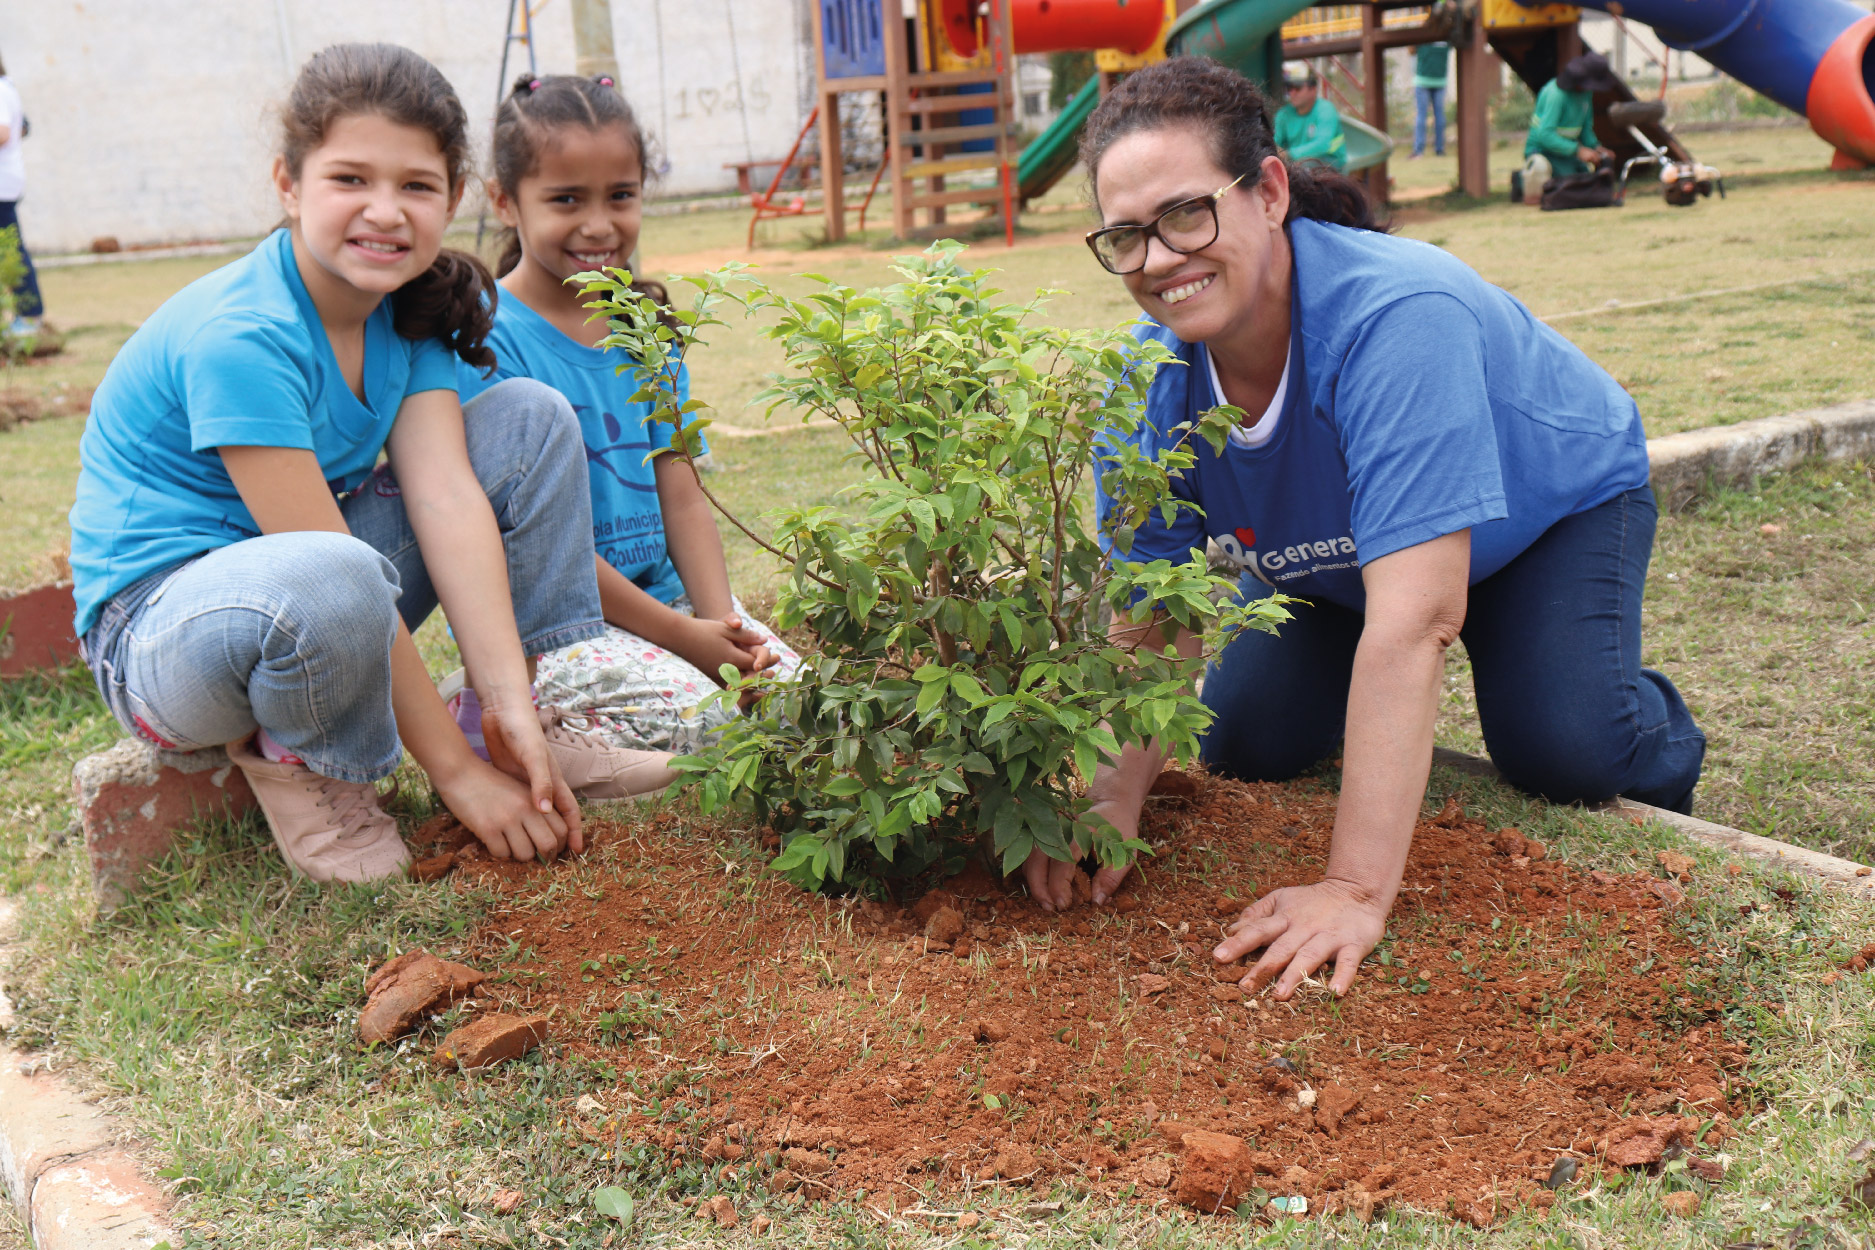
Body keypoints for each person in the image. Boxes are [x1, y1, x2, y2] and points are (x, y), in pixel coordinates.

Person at [1022, 57, 1704, 1002]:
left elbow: (1416, 619)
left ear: (1265, 192)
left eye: (1186, 213)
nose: (1161, 260)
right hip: (1343, 559)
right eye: (1127, 236)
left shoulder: (1394, 317)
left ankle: (1641, 712)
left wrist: (1350, 890)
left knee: (1565, 751)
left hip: (1547, 514)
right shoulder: (1145, 387)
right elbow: (1151, 616)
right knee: (1246, 742)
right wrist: (1106, 803)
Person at [69, 45, 676, 886]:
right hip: (164, 637)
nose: (385, 212)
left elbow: (448, 498)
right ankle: (307, 766)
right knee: (335, 568)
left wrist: (507, 711)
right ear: (289, 184)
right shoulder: (243, 335)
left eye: (416, 186)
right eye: (350, 180)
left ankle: (509, 723)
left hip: (314, 586)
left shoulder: (410, 311)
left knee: (527, 421)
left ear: (454, 198)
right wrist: (454, 782)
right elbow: (320, 554)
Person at [463, 74, 801, 755]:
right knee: (711, 724)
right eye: (565, 200)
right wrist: (688, 644)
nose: (598, 225)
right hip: (561, 627)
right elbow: (539, 547)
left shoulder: (644, 331)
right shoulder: (488, 341)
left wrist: (720, 625)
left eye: (620, 196)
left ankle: (600, 715)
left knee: (804, 707)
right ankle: (487, 711)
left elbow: (682, 498)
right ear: (505, 201)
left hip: (672, 610)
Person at [1519, 51, 1618, 195]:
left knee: (1585, 178)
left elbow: (1585, 130)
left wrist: (1596, 148)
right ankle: (1522, 181)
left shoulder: (1586, 93)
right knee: (1571, 184)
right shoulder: (1556, 95)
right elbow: (1545, 135)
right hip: (1543, 151)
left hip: (1566, 152)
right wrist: (1578, 150)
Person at [0, 49, 44, 337]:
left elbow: (3, 133)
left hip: (3, 184)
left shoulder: (1, 89)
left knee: (11, 251)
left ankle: (30, 314)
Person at [1271, 62, 1346, 172]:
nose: (1292, 93)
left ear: (1313, 89)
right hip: (1299, 164)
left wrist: (1288, 154)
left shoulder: (1325, 110)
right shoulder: (1283, 114)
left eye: (1297, 87)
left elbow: (1322, 145)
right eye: (1288, 88)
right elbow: (1274, 142)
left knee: (1304, 168)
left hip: (1331, 164)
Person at [1412, 41, 1450, 158]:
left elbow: (1411, 51)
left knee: (1421, 115)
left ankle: (1419, 150)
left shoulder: (1422, 36)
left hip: (1422, 80)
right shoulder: (1446, 39)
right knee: (1439, 116)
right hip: (1440, 81)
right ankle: (1439, 149)